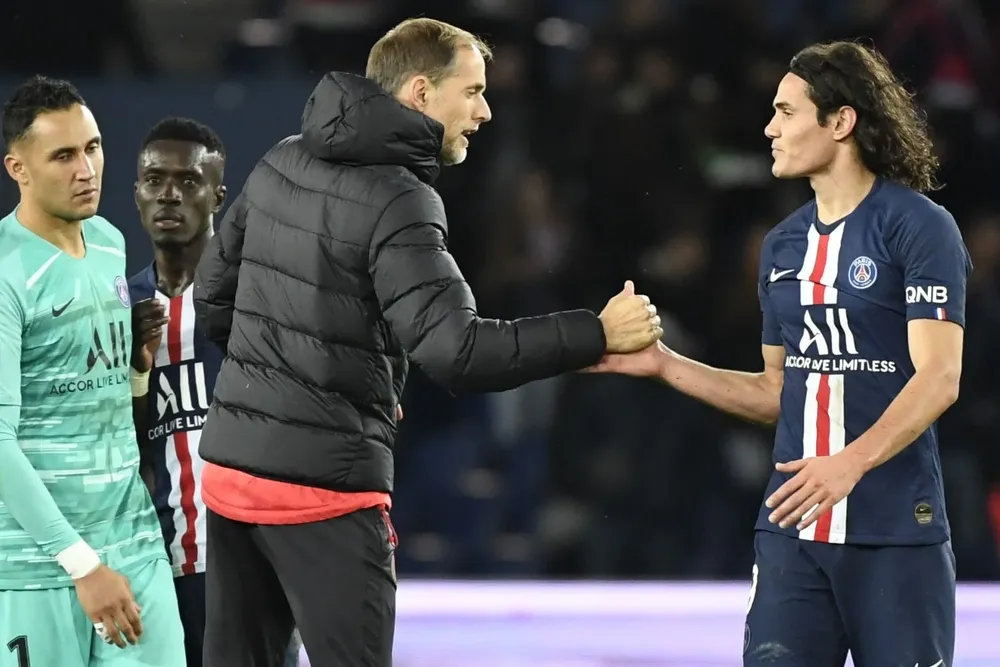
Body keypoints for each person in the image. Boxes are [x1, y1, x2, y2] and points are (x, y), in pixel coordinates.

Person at [192, 16, 662, 667]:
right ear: (419, 92)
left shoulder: (281, 158)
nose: (485, 111)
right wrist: (597, 332)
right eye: (471, 91)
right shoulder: (398, 199)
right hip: (324, 491)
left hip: (233, 477)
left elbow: (213, 296)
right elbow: (459, 351)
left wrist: (279, 382)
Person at [588, 41, 969, 667]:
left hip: (896, 530)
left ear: (840, 122)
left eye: (786, 112)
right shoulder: (782, 246)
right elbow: (776, 392)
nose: (769, 128)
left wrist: (848, 464)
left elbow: (941, 376)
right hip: (793, 533)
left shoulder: (919, 227)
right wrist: (665, 364)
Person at [0, 76, 184, 666]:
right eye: (63, 155)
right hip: (39, 568)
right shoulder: (5, 273)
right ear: (17, 168)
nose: (86, 169)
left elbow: (97, 394)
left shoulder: (106, 242)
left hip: (132, 545)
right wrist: (82, 564)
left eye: (94, 148)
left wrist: (134, 372)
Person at [128, 116, 304, 667]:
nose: (170, 195)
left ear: (218, 196)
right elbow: (111, 443)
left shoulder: (263, 296)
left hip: (252, 563)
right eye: (155, 180)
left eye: (188, 181)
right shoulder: (116, 306)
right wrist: (133, 372)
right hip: (152, 568)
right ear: (135, 192)